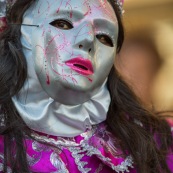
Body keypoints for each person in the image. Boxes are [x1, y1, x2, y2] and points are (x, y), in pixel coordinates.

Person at [0, 0, 172, 172]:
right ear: (21, 32)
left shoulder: (155, 141)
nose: (88, 40)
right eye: (63, 23)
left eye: (104, 37)